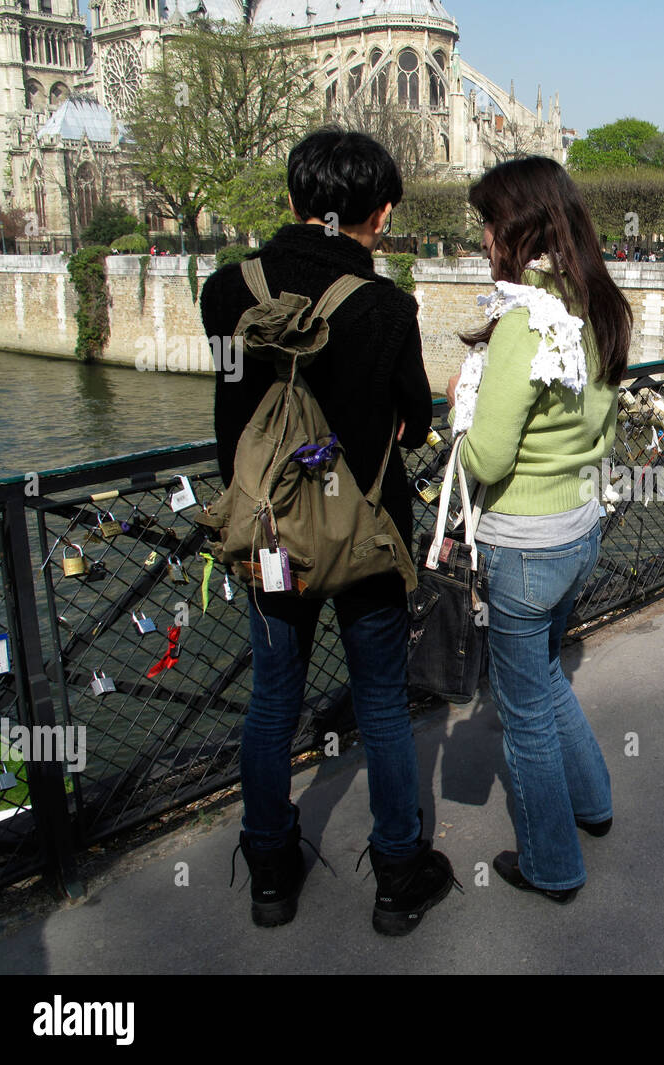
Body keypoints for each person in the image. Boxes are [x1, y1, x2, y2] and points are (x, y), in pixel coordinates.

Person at [202, 128, 456, 933]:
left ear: (291, 200)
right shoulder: (385, 306)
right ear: (378, 213)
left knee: (272, 696)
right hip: (365, 535)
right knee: (380, 699)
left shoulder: (224, 290)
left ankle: (271, 874)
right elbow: (415, 426)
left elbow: (233, 405)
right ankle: (396, 872)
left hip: (268, 532)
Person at [448, 156, 630, 903]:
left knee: (522, 714)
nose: (484, 238)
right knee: (547, 676)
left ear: (515, 229)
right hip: (580, 527)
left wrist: (464, 408)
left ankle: (553, 864)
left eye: (489, 223)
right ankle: (593, 803)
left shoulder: (525, 320)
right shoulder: (596, 303)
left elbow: (489, 453)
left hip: (523, 543)